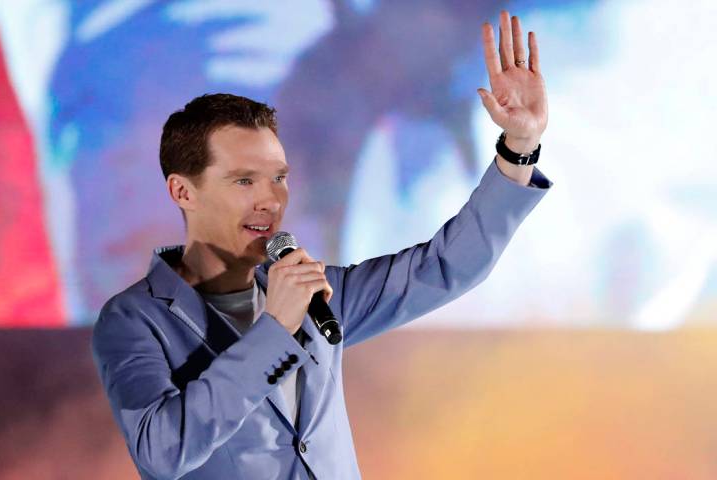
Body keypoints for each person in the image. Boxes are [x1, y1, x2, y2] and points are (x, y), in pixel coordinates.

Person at [91, 11, 552, 479]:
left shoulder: (318, 292)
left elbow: (445, 266)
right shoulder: (134, 319)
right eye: (244, 180)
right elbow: (162, 451)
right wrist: (276, 327)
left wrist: (519, 147)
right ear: (183, 191)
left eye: (278, 178)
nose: (271, 200)